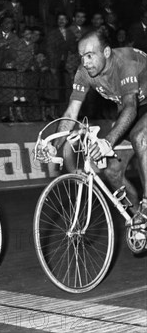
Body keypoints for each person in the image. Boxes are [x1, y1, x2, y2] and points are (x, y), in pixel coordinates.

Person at [45, 31, 147, 225]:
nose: (85, 62)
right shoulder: (84, 73)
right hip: (130, 107)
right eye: (82, 56)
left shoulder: (124, 62)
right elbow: (71, 113)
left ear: (106, 52)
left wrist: (107, 142)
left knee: (140, 136)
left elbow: (131, 108)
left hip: (133, 105)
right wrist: (54, 144)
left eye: (90, 55)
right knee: (112, 172)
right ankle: (138, 222)